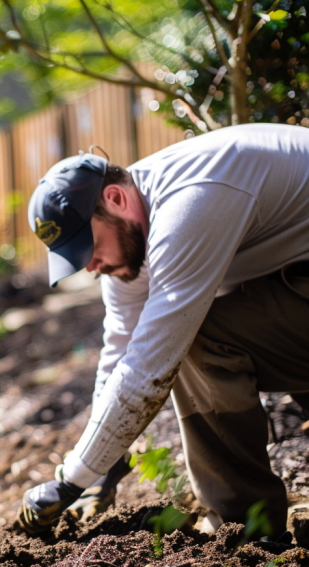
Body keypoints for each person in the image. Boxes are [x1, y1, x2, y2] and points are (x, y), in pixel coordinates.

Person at [17, 123, 309, 538]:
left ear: (114, 199)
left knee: (195, 337)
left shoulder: (190, 203)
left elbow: (150, 365)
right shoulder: (131, 228)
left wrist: (69, 481)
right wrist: (102, 464)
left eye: (89, 249)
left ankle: (249, 529)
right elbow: (120, 352)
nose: (90, 266)